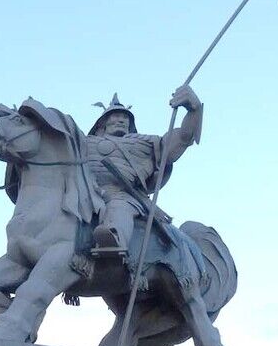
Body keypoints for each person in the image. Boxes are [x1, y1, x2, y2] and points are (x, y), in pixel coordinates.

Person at [86, 84, 203, 254]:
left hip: (121, 195)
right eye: (116, 116)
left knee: (119, 207)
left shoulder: (143, 143)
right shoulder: (83, 141)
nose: (121, 120)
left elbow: (182, 138)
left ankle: (113, 243)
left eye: (126, 118)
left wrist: (194, 111)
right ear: (101, 123)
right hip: (83, 192)